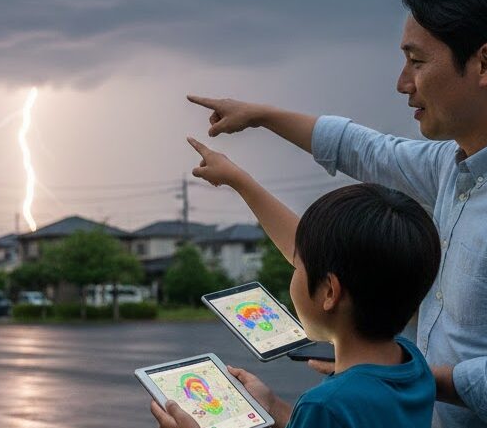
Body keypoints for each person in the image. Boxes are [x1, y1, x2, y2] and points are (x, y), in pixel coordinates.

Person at [185, 0, 487, 427]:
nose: (402, 82)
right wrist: (262, 116)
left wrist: (403, 376)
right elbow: (364, 149)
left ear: (486, 63)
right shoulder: (456, 166)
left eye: (417, 61)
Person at [151, 156, 441, 428]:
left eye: (296, 265)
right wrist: (273, 406)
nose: (294, 272)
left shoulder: (325, 405)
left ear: (329, 292)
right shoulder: (413, 364)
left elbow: (329, 415)